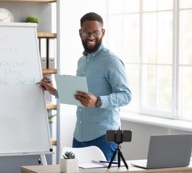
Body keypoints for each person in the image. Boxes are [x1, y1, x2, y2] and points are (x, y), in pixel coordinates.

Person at [40, 12, 132, 161]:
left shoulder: (112, 61)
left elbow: (126, 95)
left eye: (95, 32)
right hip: (80, 136)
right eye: (86, 32)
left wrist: (98, 101)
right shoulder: (82, 61)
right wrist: (54, 91)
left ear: (102, 32)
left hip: (104, 137)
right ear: (80, 33)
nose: (90, 37)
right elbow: (80, 96)